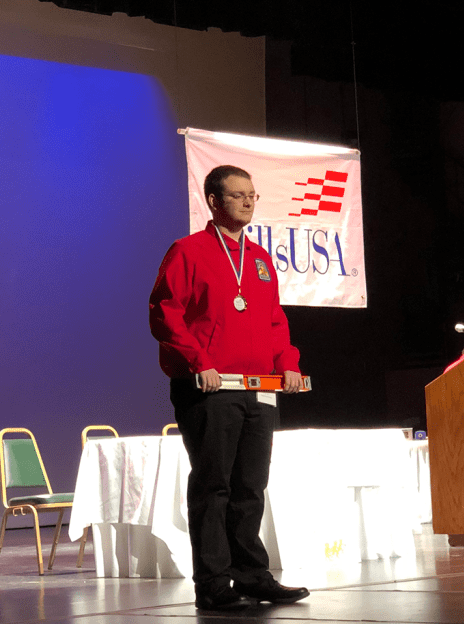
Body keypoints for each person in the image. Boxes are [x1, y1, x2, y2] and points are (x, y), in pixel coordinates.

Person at [149, 165, 309, 611]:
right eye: (238, 195)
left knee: (250, 487)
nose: (248, 201)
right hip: (209, 388)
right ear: (214, 201)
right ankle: (214, 585)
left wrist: (288, 364)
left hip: (259, 389)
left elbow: (276, 321)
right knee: (214, 487)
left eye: (253, 195)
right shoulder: (188, 251)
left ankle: (253, 576)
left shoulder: (258, 258)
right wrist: (198, 361)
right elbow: (165, 312)